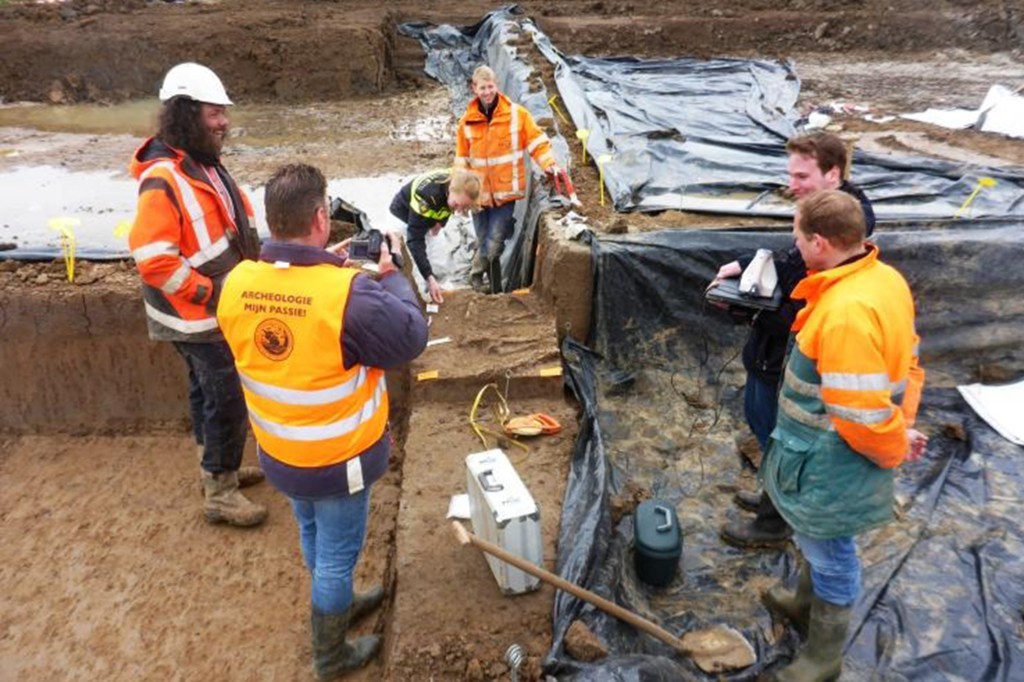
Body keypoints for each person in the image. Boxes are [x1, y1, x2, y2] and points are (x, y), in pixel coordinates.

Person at [216, 164, 428, 679]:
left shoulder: (237, 282)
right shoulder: (348, 296)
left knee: (313, 534)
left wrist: (323, 269)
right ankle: (331, 656)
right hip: (338, 462)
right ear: (319, 217)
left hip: (280, 455)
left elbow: (289, 330)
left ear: (271, 220)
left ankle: (336, 601)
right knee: (336, 557)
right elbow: (411, 337)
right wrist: (390, 275)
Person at [759, 190, 926, 681]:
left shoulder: (846, 312)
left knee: (831, 551)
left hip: (833, 458)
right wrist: (906, 425)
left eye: (797, 237)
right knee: (819, 540)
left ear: (820, 242)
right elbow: (908, 363)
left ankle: (823, 657)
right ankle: (802, 602)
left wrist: (894, 444)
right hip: (829, 451)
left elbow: (859, 413)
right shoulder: (882, 278)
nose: (794, 246)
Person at [716, 132, 876, 549]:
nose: (793, 184)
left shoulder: (841, 235)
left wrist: (752, 311)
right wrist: (746, 263)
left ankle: (774, 523)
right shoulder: (821, 216)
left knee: (780, 436)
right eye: (791, 174)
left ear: (833, 173)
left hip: (789, 360)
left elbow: (804, 311)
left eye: (802, 175)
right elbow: (790, 260)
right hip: (771, 354)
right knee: (764, 426)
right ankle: (773, 497)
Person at [128, 62, 266, 527]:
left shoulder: (202, 164)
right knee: (225, 397)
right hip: (197, 316)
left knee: (205, 393)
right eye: (214, 113)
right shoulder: (165, 179)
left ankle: (215, 470)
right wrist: (213, 293)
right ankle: (220, 492)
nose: (224, 121)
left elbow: (230, 225)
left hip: (209, 312)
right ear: (187, 113)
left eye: (223, 112)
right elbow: (154, 259)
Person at [454, 65, 560, 293]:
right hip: (478, 196)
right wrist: (459, 195)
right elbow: (461, 160)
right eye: (482, 88)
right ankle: (477, 276)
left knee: (494, 244)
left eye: (490, 87)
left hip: (505, 195)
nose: (487, 92)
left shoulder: (516, 115)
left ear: (497, 85)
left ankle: (494, 289)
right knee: (484, 240)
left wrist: (549, 164)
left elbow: (537, 142)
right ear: (474, 89)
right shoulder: (466, 122)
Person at [388, 167, 481, 304]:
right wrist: (428, 277)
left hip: (429, 214)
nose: (459, 210)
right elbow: (415, 241)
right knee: (413, 264)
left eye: (464, 207)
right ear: (450, 190)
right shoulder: (427, 196)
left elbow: (449, 205)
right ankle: (420, 298)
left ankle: (441, 289)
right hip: (403, 217)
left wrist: (440, 222)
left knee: (439, 255)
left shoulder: (456, 181)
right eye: (457, 205)